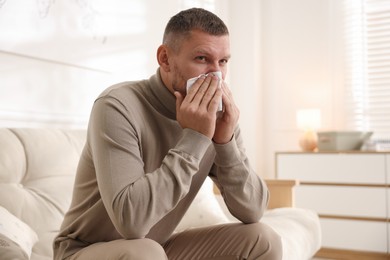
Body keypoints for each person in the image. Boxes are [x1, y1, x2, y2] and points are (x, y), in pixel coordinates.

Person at [53, 7, 282, 260]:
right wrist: (195, 138)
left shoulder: (217, 116)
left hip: (154, 248)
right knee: (145, 252)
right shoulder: (116, 105)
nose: (216, 75)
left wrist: (225, 142)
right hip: (84, 251)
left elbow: (254, 210)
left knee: (264, 239)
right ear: (164, 59)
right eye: (202, 59)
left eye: (223, 61)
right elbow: (132, 223)